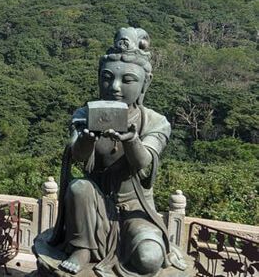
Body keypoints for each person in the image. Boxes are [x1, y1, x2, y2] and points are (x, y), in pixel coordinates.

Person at [48, 28, 187, 276]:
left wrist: (132, 139)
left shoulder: (156, 122)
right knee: (79, 187)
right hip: (92, 207)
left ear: (146, 82)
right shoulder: (85, 114)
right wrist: (87, 139)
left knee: (149, 259)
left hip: (135, 208)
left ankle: (138, 243)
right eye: (107, 77)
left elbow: (143, 164)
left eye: (128, 80)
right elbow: (78, 157)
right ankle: (82, 248)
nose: (115, 87)